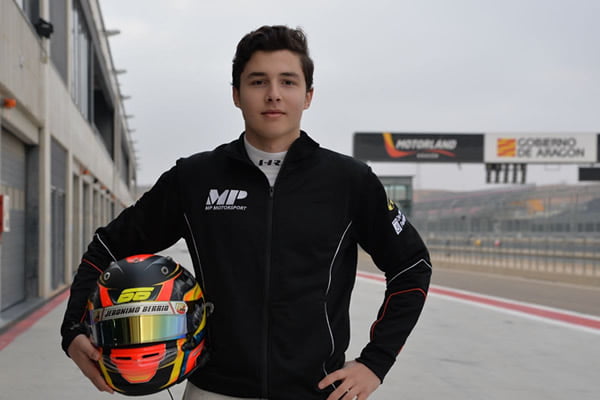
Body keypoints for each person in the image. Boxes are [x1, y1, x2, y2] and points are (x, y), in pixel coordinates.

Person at [61, 25, 432, 400]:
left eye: (288, 81)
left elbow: (412, 266)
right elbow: (106, 247)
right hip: (213, 390)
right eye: (258, 82)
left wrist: (376, 362)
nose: (273, 94)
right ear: (236, 95)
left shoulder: (350, 182)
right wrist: (73, 328)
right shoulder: (194, 179)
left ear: (308, 95)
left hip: (317, 391)